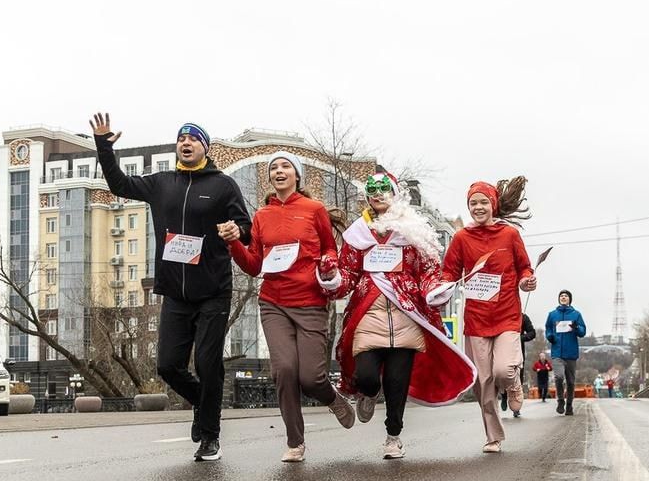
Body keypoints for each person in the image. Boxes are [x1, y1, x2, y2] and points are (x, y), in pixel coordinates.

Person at [90, 113, 252, 462]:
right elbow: (118, 184)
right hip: (175, 292)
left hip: (212, 290)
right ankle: (202, 403)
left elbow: (246, 226)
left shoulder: (223, 185)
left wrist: (236, 231)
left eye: (193, 138)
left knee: (209, 365)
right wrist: (103, 146)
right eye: (181, 138)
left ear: (204, 148)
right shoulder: (161, 182)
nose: (186, 142)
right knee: (167, 366)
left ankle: (210, 436)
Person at [320, 172, 476, 459]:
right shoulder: (357, 233)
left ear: (394, 193)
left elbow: (429, 272)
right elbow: (347, 278)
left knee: (396, 384)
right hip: (368, 314)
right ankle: (367, 392)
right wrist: (329, 275)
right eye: (371, 191)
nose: (377, 195)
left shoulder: (414, 230)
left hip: (406, 315)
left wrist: (435, 291)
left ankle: (393, 436)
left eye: (383, 190)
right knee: (366, 375)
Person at [219, 151, 355, 463]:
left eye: (285, 167)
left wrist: (330, 262)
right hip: (273, 303)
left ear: (296, 176)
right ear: (270, 178)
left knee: (311, 378)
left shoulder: (314, 209)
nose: (279, 171)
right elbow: (254, 266)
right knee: (284, 370)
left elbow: (330, 247)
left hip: (309, 301)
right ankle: (295, 442)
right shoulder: (262, 216)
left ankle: (333, 399)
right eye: (274, 168)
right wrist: (233, 244)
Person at [442, 178, 536, 453]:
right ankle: (493, 436)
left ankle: (513, 382)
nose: (478, 207)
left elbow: (525, 268)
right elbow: (449, 271)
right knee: (483, 383)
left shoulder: (509, 235)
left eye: (483, 202)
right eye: (473, 203)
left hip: (507, 314)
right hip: (477, 318)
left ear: (493, 204)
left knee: (502, 370)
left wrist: (527, 281)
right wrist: (442, 286)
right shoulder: (461, 238)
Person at [545, 289, 587, 416]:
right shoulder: (552, 314)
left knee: (570, 382)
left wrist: (576, 327)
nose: (563, 297)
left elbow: (583, 332)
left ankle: (569, 405)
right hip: (557, 352)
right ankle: (560, 401)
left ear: (569, 299)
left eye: (566, 296)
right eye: (561, 296)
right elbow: (548, 328)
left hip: (571, 353)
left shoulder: (576, 314)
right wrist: (550, 336)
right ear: (559, 299)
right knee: (558, 377)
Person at [501, 312, 536, 418]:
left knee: (517, 378)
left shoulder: (523, 317)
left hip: (518, 352)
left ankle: (516, 407)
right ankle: (504, 395)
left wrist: (521, 338)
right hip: (502, 350)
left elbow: (532, 333)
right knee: (503, 373)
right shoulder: (502, 315)